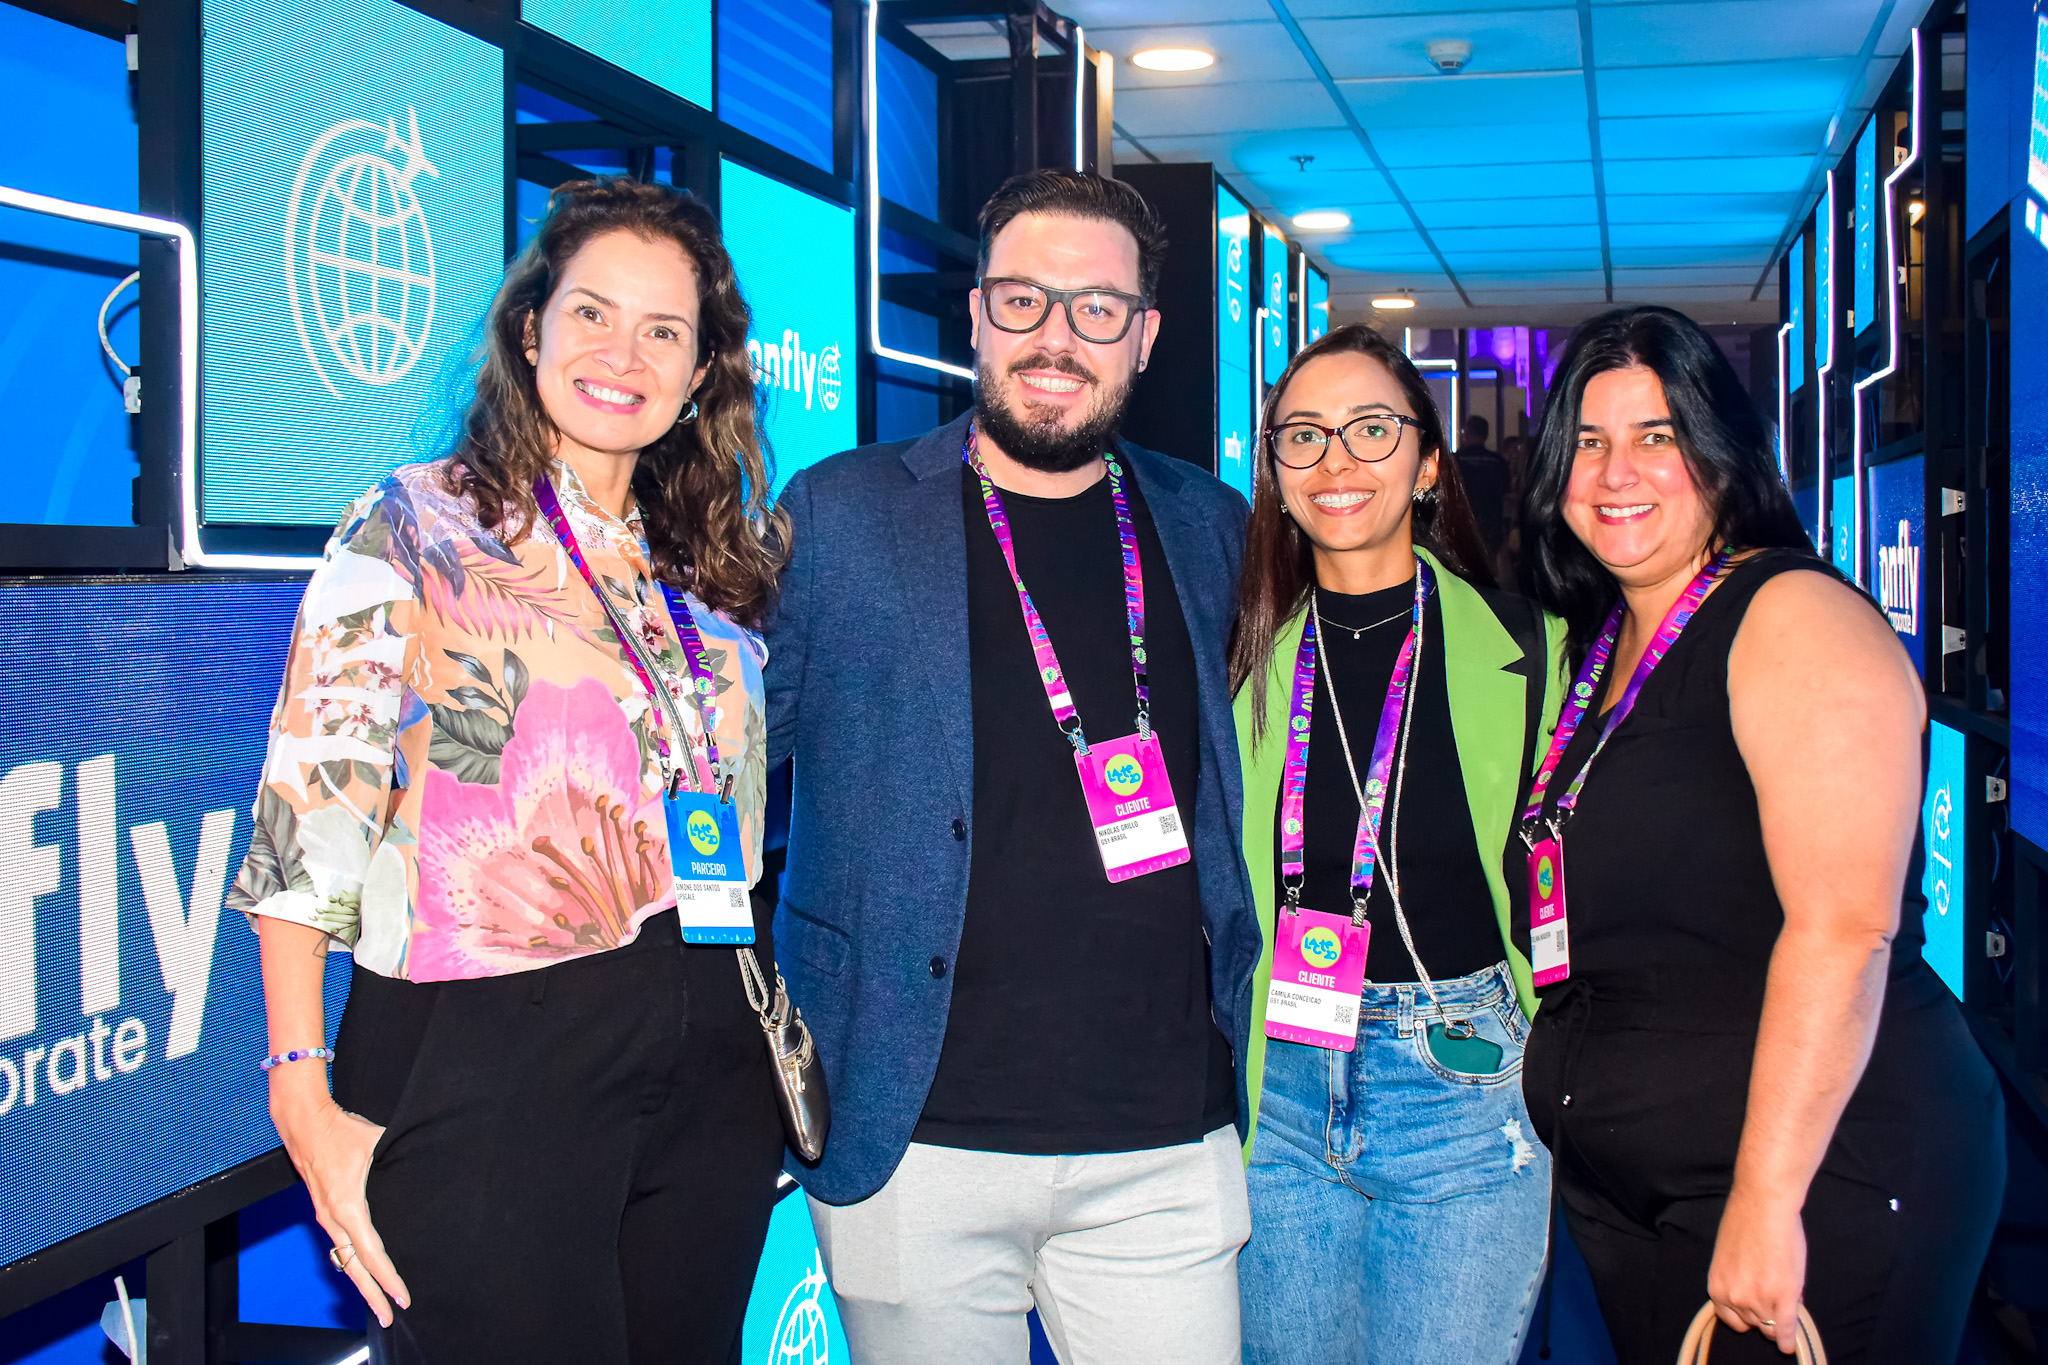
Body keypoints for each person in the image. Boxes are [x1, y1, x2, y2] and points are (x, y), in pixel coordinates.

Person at [228, 178, 792, 1364]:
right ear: (530, 330)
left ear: (699, 377)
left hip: (706, 1039)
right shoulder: (413, 527)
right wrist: (300, 1090)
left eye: (662, 332)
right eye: (591, 314)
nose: (621, 354)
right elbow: (308, 813)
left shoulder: (707, 563)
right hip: (486, 1048)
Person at [762, 169, 1257, 1363]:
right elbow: (707, 751)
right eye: (1023, 300)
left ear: (1141, 337)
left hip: (1162, 1137)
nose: (1055, 338)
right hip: (912, 1129)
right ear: (975, 314)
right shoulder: (840, 513)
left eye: (1095, 310)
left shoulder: (1210, 525)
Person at [1517, 306, 2004, 1363]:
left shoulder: (1789, 616)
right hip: (1646, 1188)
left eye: (1657, 438)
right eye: (1588, 444)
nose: (1616, 474)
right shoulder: (1604, 642)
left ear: (1721, 454)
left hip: (1809, 1172)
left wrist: (1763, 1200)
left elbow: (1843, 927)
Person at [1227, 324, 1564, 1365]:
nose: (1335, 461)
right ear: (1274, 475)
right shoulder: (1235, 660)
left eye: (1370, 430)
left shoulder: (1530, 648)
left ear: (1426, 463)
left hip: (1461, 1088)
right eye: (1303, 437)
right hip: (1279, 1092)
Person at [1456, 414, 1511, 570]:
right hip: (1492, 526)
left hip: (1464, 525)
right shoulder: (1497, 461)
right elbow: (1506, 490)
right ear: (1485, 435)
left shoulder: (1457, 460)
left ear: (1467, 433)